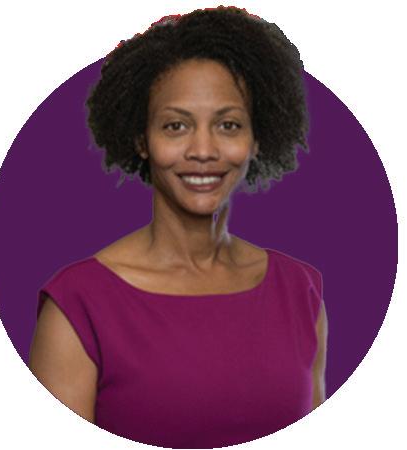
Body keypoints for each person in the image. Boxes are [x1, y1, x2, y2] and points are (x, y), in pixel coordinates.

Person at [29, 6, 328, 448]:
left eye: (228, 125)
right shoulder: (79, 305)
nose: (203, 149)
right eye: (175, 126)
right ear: (142, 139)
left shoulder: (300, 291)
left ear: (255, 139)